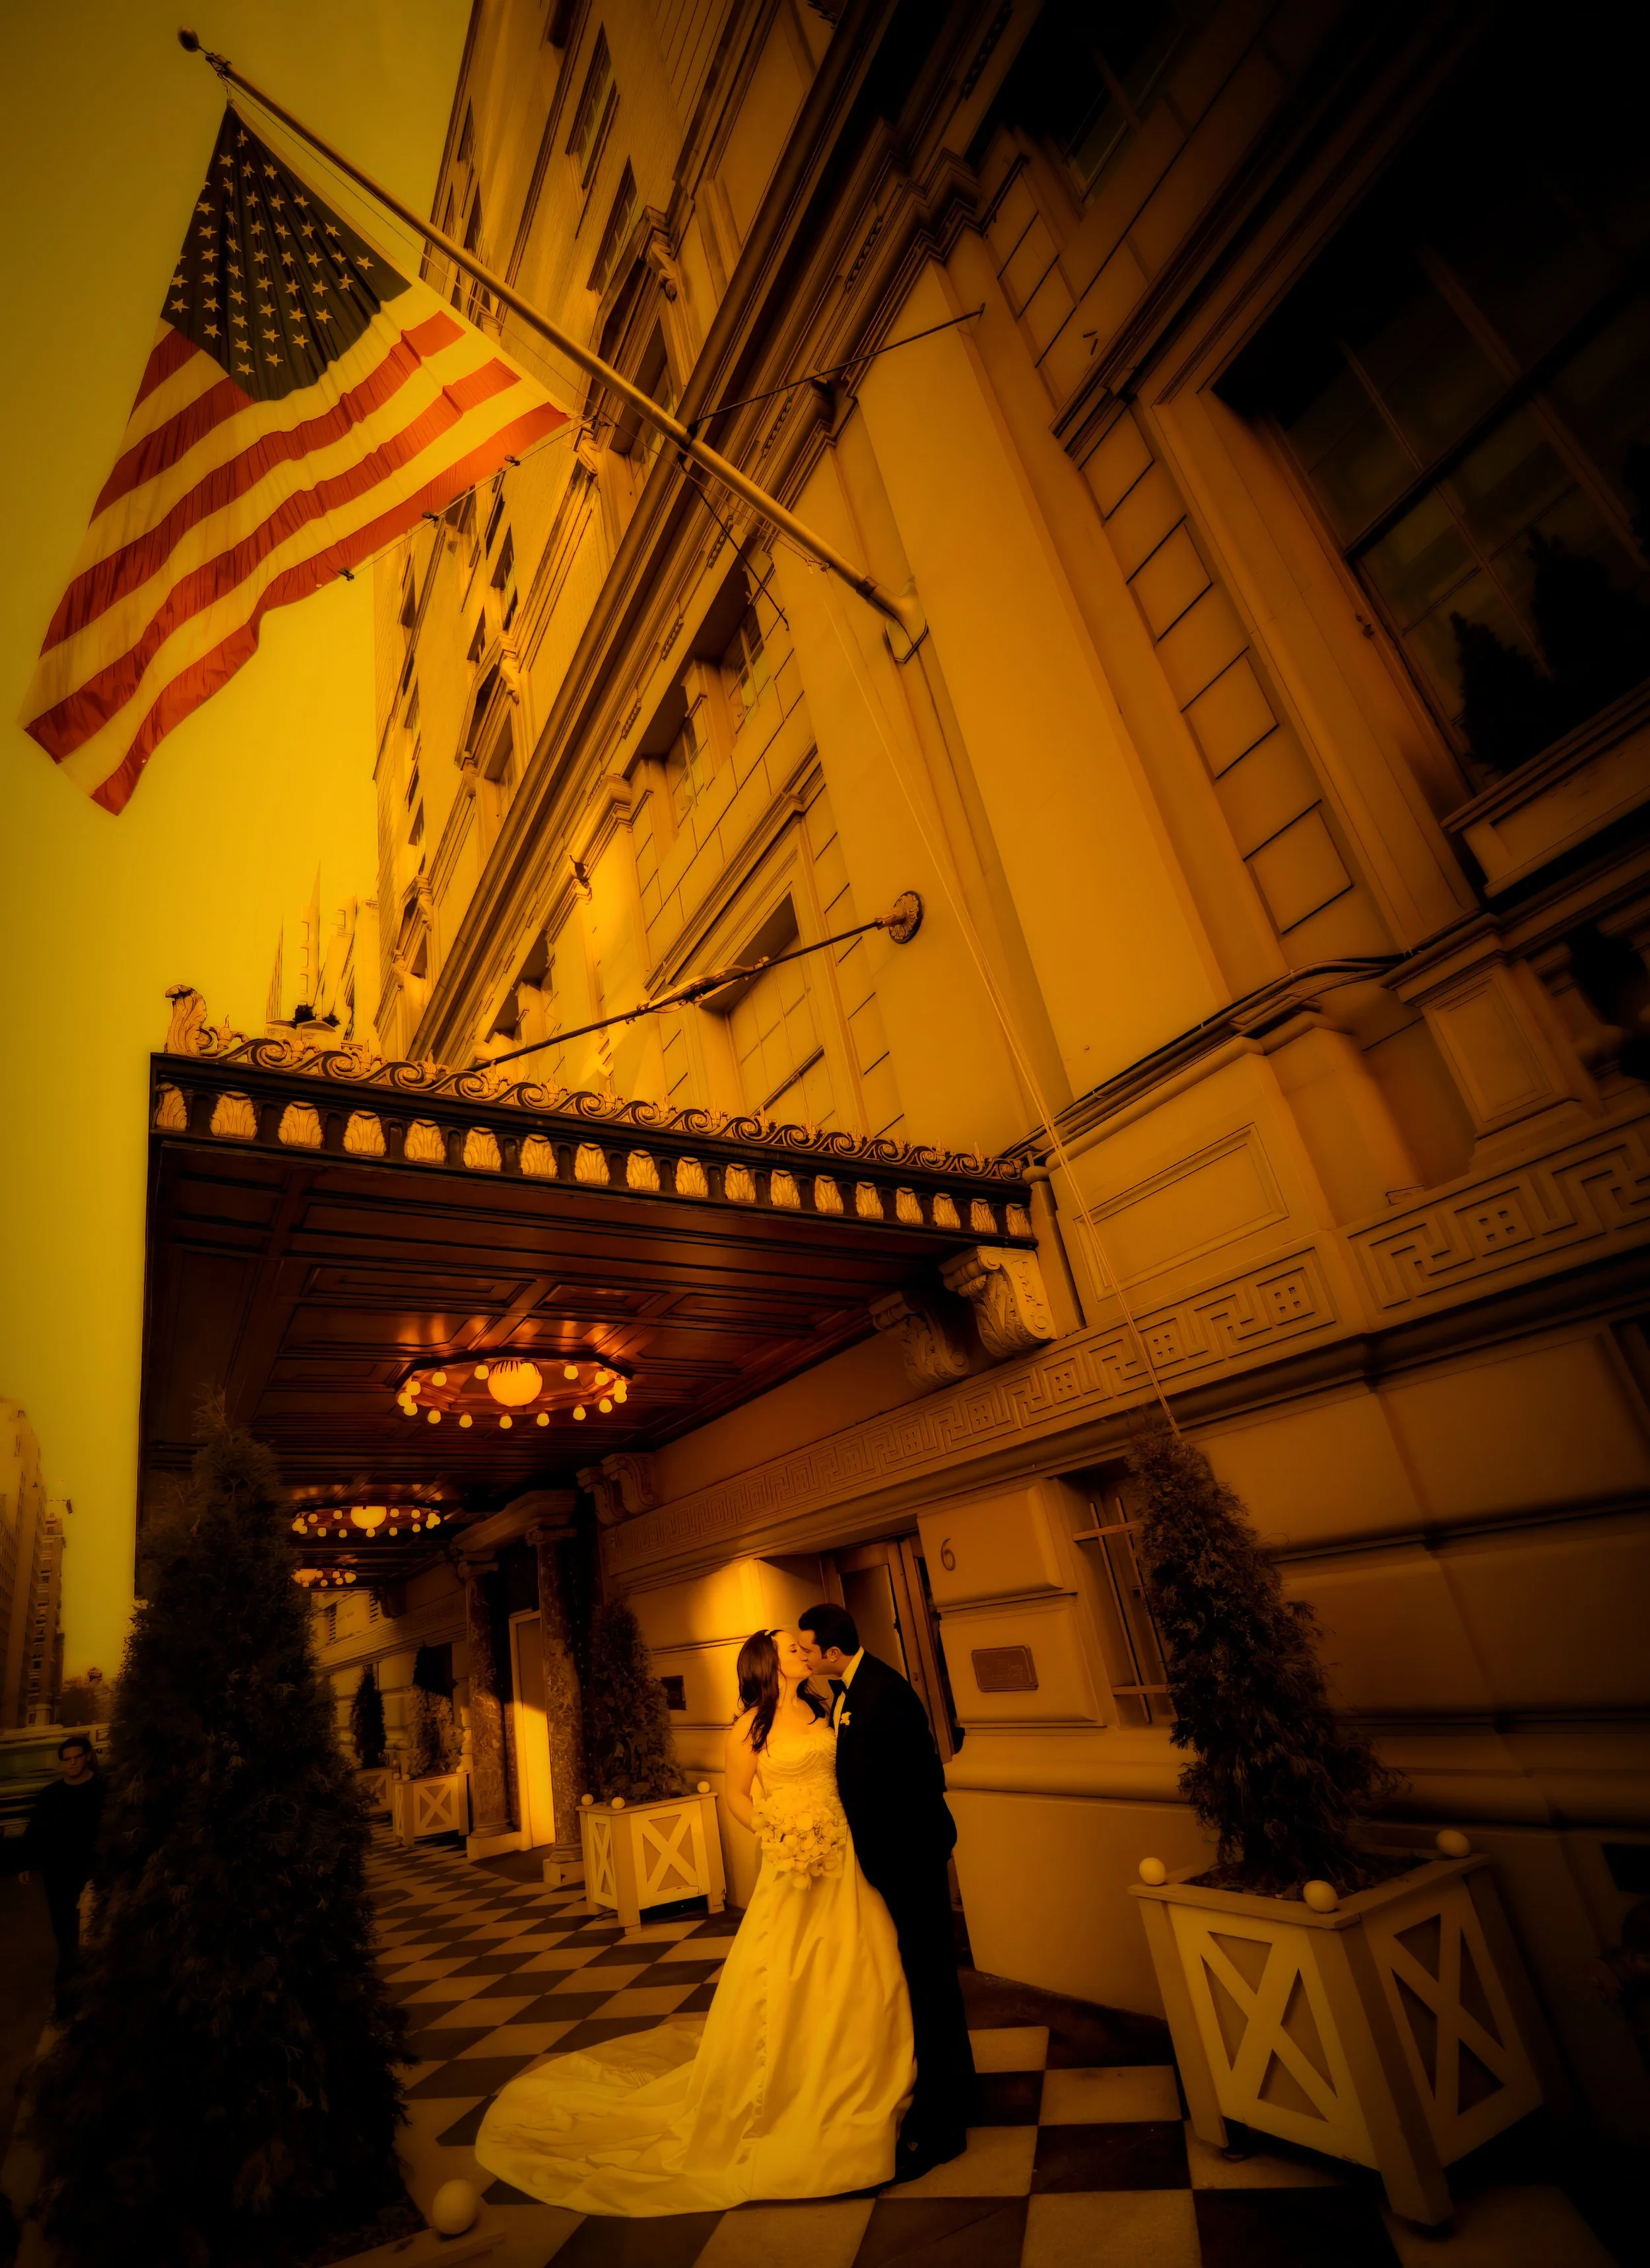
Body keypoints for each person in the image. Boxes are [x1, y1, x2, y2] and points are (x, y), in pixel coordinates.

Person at [475, 1626, 915, 2213]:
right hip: (792, 1860)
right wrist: (776, 1831)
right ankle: (792, 2084)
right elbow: (738, 1796)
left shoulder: (825, 1705)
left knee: (865, 1961)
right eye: (789, 1646)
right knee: (791, 1971)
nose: (800, 1650)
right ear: (767, 1662)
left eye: (800, 1644)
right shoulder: (749, 1727)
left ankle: (869, 2077)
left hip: (844, 1851)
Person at [799, 1602, 977, 2176]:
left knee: (931, 1981)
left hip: (911, 1858)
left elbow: (921, 1778)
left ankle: (945, 2123)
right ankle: (958, 2090)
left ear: (833, 1651)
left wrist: (894, 1850)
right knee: (923, 1979)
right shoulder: (849, 1690)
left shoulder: (883, 1690)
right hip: (891, 1860)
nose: (803, 1656)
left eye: (807, 1648)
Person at [20, 1735, 106, 2017]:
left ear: (88, 1756)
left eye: (77, 1757)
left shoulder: (103, 1789)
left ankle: (94, 1993)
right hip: (59, 1875)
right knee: (65, 1932)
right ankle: (68, 2001)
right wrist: (26, 1863)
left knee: (93, 1931)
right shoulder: (52, 1794)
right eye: (67, 1759)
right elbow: (37, 1830)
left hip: (93, 1872)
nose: (72, 1763)